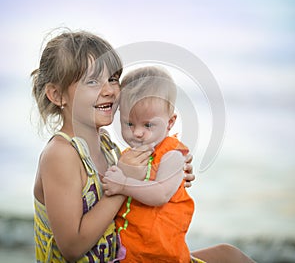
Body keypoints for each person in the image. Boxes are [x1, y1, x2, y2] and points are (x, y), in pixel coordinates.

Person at [31, 30, 195, 263]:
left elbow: (142, 191)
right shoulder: (61, 155)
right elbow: (72, 247)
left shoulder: (108, 147)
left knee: (227, 254)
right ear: (57, 95)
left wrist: (170, 169)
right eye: (92, 81)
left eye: (113, 79)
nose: (108, 90)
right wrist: (124, 182)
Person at [102, 66, 256, 263]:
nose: (138, 133)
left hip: (162, 254)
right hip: (133, 253)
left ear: (170, 122)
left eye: (148, 125)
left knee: (230, 255)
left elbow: (160, 194)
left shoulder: (172, 154)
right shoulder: (127, 157)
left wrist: (123, 184)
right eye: (129, 124)